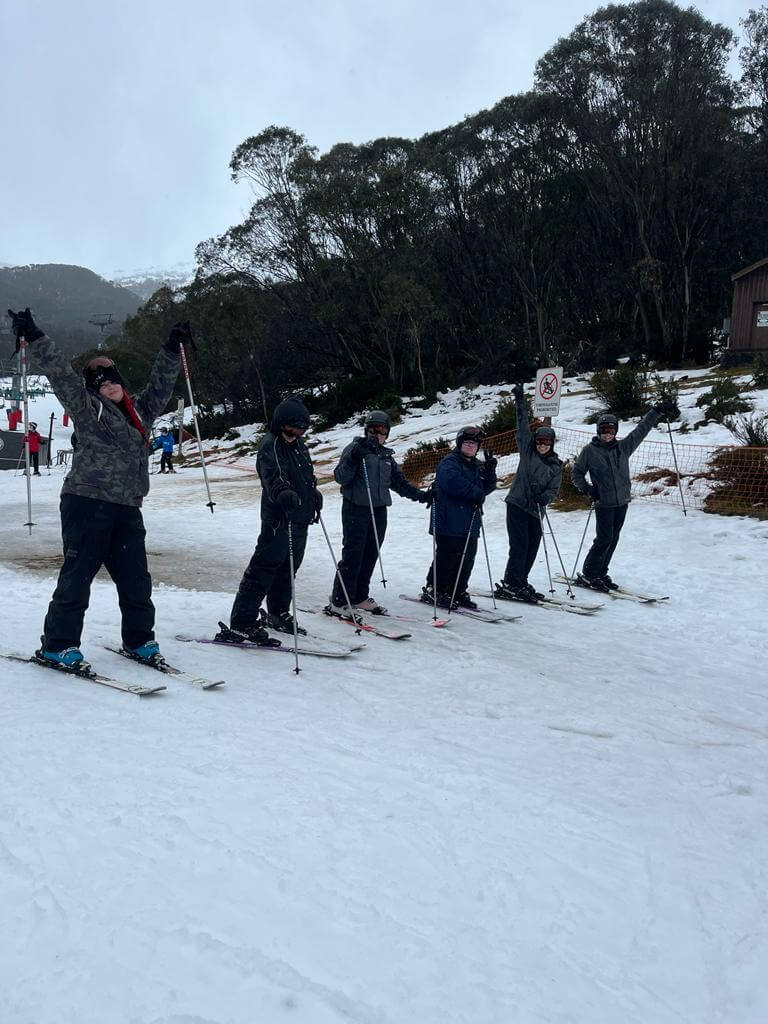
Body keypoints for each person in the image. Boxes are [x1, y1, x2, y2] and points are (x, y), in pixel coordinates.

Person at [7, 307, 189, 671]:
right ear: (94, 390)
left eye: (113, 379)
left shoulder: (139, 415)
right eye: (101, 382)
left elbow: (160, 385)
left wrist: (171, 348)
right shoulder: (89, 411)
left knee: (136, 579)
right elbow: (61, 375)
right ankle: (58, 645)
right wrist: (36, 335)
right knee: (78, 577)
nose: (109, 385)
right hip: (87, 504)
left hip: (126, 507)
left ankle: (140, 641)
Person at [216, 396, 322, 644]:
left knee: (288, 568)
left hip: (299, 517)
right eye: (293, 427)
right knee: (264, 568)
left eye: (302, 428)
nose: (297, 433)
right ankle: (243, 621)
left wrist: (312, 494)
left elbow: (306, 474)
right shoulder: (271, 444)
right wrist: (283, 491)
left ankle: (278, 612)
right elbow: (272, 474)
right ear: (280, 423)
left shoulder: (299, 445)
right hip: (278, 518)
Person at [327, 410, 431, 617]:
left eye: (382, 430)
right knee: (353, 555)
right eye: (373, 430)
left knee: (370, 554)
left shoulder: (386, 455)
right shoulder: (355, 449)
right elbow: (340, 477)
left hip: (379, 509)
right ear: (366, 430)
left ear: (387, 433)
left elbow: (399, 483)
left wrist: (422, 496)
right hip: (355, 508)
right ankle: (339, 600)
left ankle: (359, 596)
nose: (377, 434)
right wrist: (355, 458)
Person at [571, 400, 676, 591]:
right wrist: (588, 489)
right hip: (604, 502)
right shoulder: (590, 451)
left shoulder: (623, 448)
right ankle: (589, 574)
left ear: (616, 431)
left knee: (613, 539)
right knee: (603, 539)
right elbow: (576, 473)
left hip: (622, 501)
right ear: (598, 431)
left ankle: (601, 572)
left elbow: (641, 431)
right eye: (604, 430)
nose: (607, 434)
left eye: (611, 430)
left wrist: (656, 411)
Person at [495, 383, 563, 603]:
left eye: (547, 442)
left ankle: (521, 580)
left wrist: (546, 498)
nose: (543, 445)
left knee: (533, 545)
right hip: (517, 504)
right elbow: (522, 426)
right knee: (520, 545)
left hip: (536, 510)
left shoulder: (555, 465)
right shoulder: (527, 451)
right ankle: (511, 582)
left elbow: (554, 488)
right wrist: (519, 401)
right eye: (540, 442)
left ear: (552, 444)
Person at [421, 426, 497, 610]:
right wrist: (476, 492)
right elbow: (452, 484)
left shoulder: (476, 465)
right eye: (468, 443)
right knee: (448, 556)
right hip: (449, 519)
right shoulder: (450, 462)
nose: (471, 446)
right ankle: (436, 589)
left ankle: (457, 590)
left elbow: (486, 488)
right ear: (460, 444)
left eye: (474, 444)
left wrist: (489, 472)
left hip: (469, 521)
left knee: (467, 557)